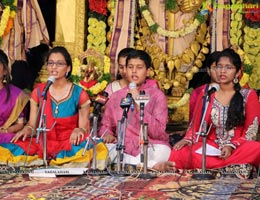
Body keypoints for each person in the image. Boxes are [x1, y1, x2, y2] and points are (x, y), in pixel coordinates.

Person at [0, 46, 108, 169]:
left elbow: (84, 128)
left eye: (59, 63)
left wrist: (79, 130)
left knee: (96, 148)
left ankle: (60, 161)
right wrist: (26, 130)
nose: (54, 67)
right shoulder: (39, 91)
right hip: (43, 142)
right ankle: (50, 161)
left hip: (68, 142)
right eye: (51, 63)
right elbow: (32, 125)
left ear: (68, 68)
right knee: (2, 150)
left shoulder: (79, 93)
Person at [168, 48, 260, 177]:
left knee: (256, 148)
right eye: (219, 67)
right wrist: (188, 139)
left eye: (228, 67)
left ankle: (212, 168)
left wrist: (231, 146)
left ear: (238, 72)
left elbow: (251, 131)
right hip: (212, 147)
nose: (222, 71)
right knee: (181, 151)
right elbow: (196, 127)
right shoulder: (207, 94)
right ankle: (230, 168)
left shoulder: (248, 95)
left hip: (238, 148)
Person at [99, 49, 174, 170]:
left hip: (150, 145)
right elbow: (106, 125)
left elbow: (159, 133)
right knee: (103, 149)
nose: (134, 71)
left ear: (148, 71)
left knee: (162, 151)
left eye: (139, 67)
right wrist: (107, 134)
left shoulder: (157, 96)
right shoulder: (116, 96)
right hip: (123, 146)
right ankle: (152, 166)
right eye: (130, 67)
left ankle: (134, 165)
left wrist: (139, 105)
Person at [189, 51, 220, 121]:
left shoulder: (232, 92)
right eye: (215, 68)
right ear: (208, 70)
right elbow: (192, 122)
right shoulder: (198, 92)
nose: (219, 72)